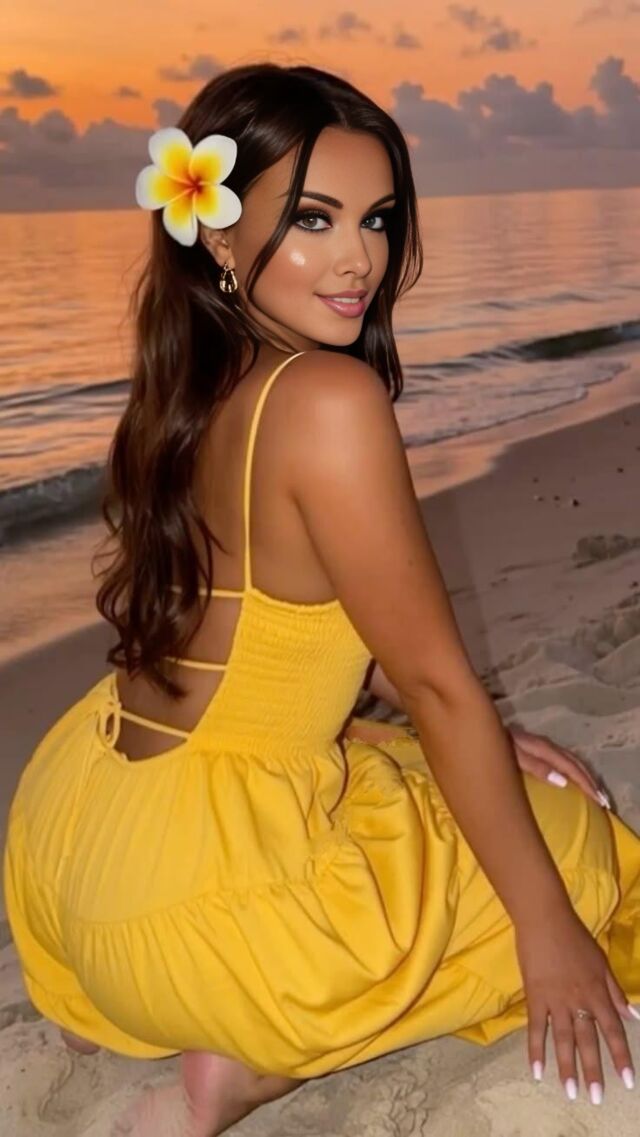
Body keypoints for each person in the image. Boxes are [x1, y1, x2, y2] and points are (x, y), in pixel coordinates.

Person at [4, 61, 640, 1137]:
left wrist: (489, 736)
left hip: (85, 849)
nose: (359, 259)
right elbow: (436, 684)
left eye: (377, 219)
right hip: (213, 912)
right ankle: (245, 1067)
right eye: (314, 218)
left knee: (456, 774)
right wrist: (550, 936)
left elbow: (301, 629)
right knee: (582, 853)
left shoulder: (192, 376)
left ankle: (170, 1015)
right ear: (217, 229)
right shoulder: (329, 399)